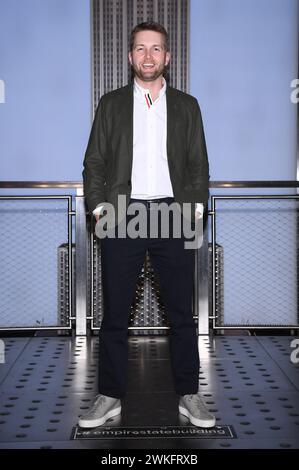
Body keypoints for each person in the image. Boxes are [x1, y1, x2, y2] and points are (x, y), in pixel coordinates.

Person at [80, 21, 215, 429]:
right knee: (115, 315)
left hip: (173, 215)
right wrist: (100, 208)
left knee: (181, 314)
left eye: (156, 49)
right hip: (124, 215)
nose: (149, 56)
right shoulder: (111, 103)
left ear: (167, 57)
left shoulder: (188, 106)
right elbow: (95, 162)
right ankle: (109, 396)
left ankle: (189, 394)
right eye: (141, 48)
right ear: (130, 57)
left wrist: (192, 211)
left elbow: (198, 166)